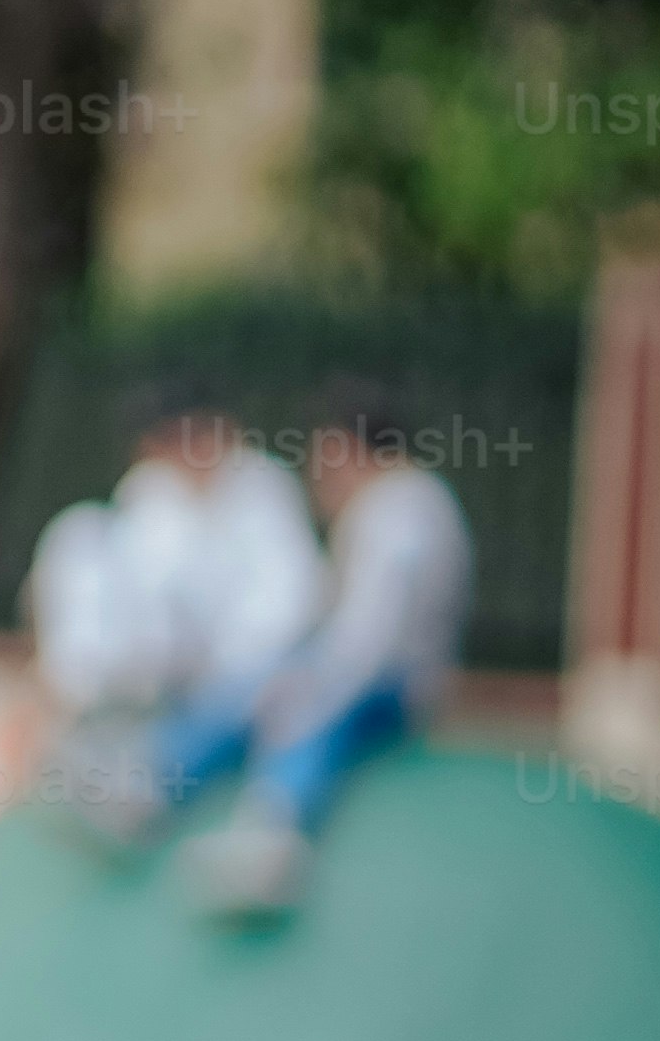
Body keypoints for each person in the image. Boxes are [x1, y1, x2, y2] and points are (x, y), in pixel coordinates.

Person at [172, 388, 470, 914]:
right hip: (385, 675)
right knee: (272, 687)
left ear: (345, 450)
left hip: (391, 686)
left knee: (302, 708)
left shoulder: (399, 513)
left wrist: (312, 686)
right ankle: (165, 777)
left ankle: (269, 838)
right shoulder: (408, 504)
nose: (318, 478)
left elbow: (371, 641)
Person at [39, 386, 323, 833]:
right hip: (172, 670)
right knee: (80, 537)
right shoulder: (149, 493)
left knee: (247, 693)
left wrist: (223, 666)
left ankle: (147, 787)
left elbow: (290, 601)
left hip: (248, 668)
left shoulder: (266, 486)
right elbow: (139, 590)